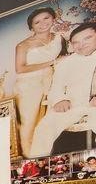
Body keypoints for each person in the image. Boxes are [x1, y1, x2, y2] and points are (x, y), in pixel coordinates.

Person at [29, 23, 96, 158]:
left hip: (93, 106)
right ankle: (38, 165)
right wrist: (60, 99)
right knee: (44, 128)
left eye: (87, 38)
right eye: (75, 42)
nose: (81, 44)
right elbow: (56, 87)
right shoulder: (66, 63)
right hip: (72, 105)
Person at [14, 7, 67, 155]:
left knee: (48, 120)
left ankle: (46, 155)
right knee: (29, 123)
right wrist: (51, 62)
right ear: (32, 27)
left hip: (52, 81)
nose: (42, 23)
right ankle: (30, 157)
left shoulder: (59, 38)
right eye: (37, 22)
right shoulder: (23, 45)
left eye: (46, 18)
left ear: (53, 19)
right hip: (28, 85)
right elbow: (20, 69)